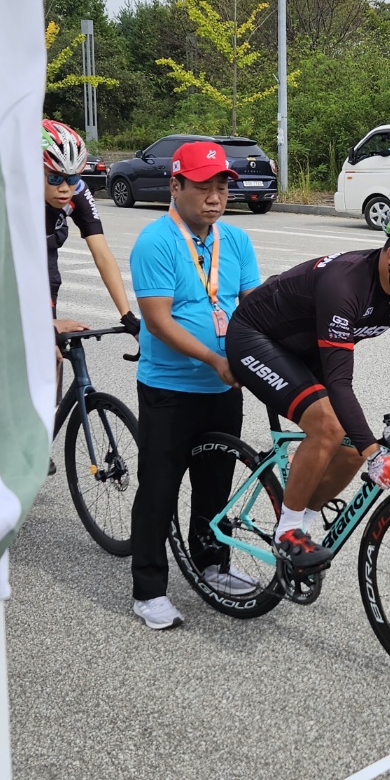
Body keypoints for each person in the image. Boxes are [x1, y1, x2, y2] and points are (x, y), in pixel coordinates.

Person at [226, 197, 390, 574]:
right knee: (331, 428)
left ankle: (302, 526)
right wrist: (374, 454)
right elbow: (339, 381)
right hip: (256, 338)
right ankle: (286, 533)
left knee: (351, 450)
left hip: (305, 350)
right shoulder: (345, 284)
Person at [129, 140, 262, 630]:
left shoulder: (237, 240)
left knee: (215, 485)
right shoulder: (156, 241)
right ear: (176, 185)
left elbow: (253, 307)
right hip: (170, 389)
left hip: (224, 388)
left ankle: (212, 564)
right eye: (203, 186)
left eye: (222, 186)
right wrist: (212, 357)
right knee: (159, 487)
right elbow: (158, 321)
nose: (214, 197)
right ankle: (148, 590)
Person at [42, 119, 138, 333]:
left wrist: (128, 317)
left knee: (51, 348)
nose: (65, 188)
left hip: (45, 268)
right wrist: (42, 325)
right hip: (4, 277)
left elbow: (102, 255)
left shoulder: (78, 191)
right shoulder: (10, 199)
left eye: (73, 178)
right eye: (55, 179)